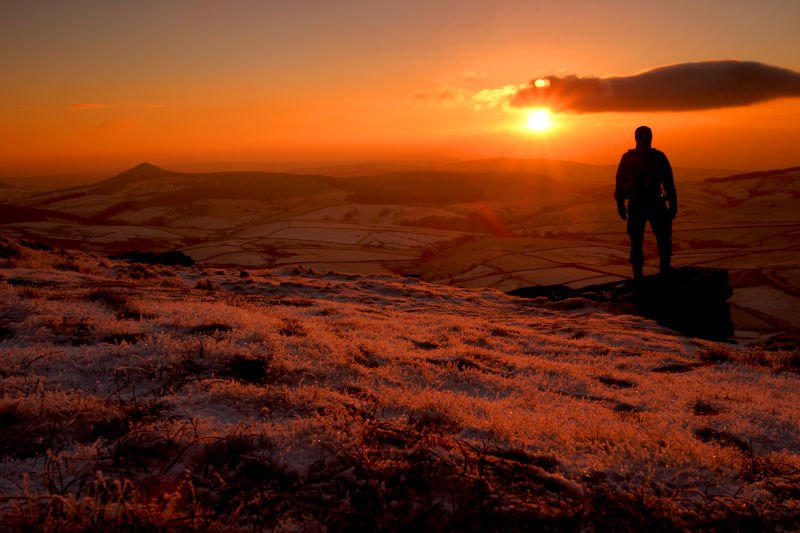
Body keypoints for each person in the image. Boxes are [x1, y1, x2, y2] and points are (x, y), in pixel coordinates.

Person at [614, 126, 677, 281]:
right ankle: (664, 270)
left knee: (638, 241)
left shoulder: (628, 158)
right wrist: (673, 204)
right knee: (661, 238)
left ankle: (639, 276)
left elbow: (620, 184)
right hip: (654, 203)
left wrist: (620, 205)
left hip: (638, 204)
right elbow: (668, 183)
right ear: (651, 138)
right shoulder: (658, 157)